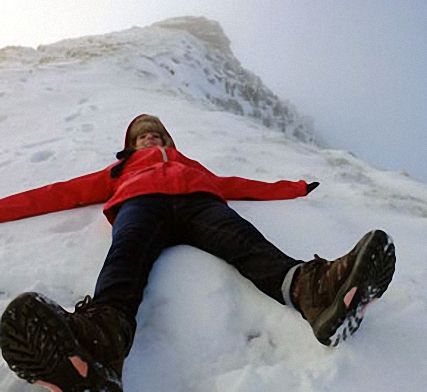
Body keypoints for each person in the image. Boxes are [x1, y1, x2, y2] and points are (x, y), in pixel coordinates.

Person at [0, 115, 395, 392]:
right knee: (125, 259)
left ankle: (317, 291)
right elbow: (61, 193)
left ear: (168, 140)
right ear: (131, 145)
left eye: (156, 135)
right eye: (142, 137)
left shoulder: (193, 167)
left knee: (245, 242)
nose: (150, 140)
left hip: (199, 203)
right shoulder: (120, 171)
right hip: (143, 205)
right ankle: (98, 347)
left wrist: (291, 188)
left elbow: (239, 184)